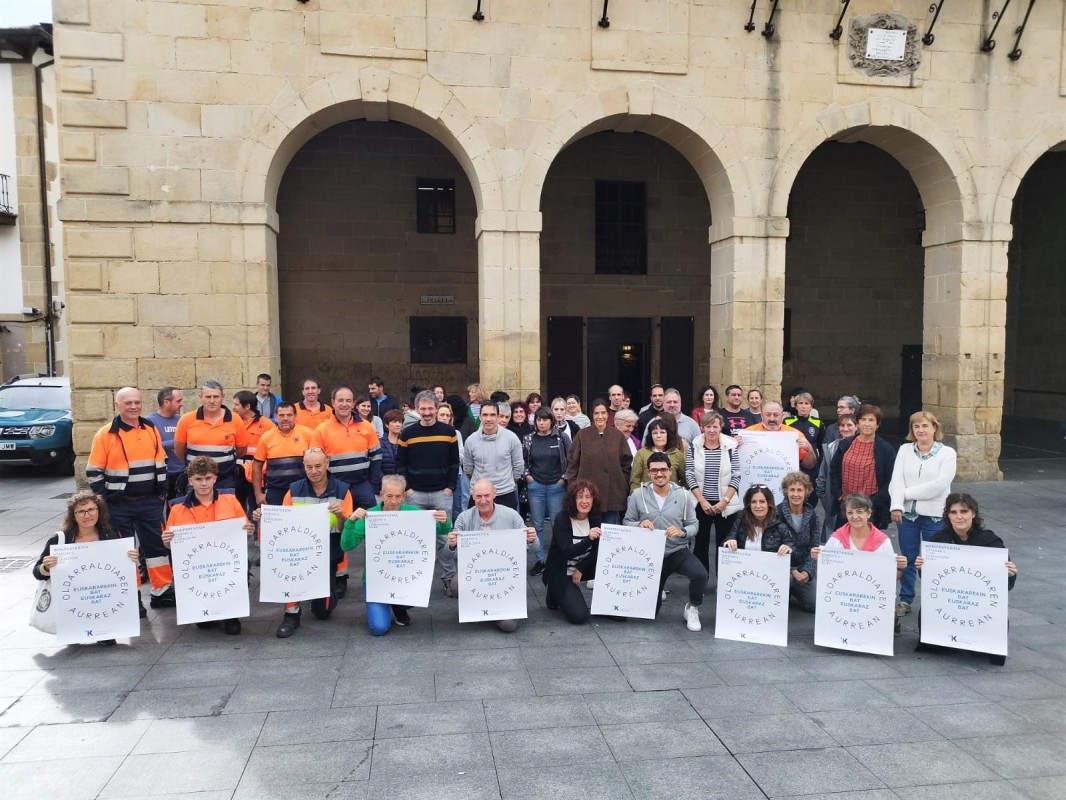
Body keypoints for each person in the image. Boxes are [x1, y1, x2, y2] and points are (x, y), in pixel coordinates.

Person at [253, 448, 354, 638]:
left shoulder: (342, 490)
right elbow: (282, 521)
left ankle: (322, 593)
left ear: (327, 464)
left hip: (328, 546)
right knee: (290, 568)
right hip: (298, 546)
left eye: (318, 466)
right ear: (304, 467)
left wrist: (340, 515)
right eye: (309, 467)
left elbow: (343, 531)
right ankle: (291, 613)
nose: (314, 471)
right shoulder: (294, 490)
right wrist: (262, 516)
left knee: (323, 612)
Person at [86, 387, 169, 609]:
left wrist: (161, 492)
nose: (133, 407)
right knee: (125, 551)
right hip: (118, 504)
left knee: (157, 549)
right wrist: (104, 500)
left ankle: (162, 592)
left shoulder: (150, 427)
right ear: (117, 405)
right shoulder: (105, 434)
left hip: (150, 501)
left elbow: (161, 460)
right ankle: (131, 599)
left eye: (137, 402)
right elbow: (93, 471)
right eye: (128, 403)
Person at [914, 493, 1018, 665]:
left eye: (964, 511)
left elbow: (1004, 585)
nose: (959, 516)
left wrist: (1010, 573)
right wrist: (923, 566)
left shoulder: (990, 541)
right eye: (953, 512)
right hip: (950, 597)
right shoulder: (939, 540)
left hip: (978, 601)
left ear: (973, 513)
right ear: (947, 515)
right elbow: (931, 581)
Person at [340, 474, 450, 634]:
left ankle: (398, 606)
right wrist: (350, 522)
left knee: (419, 591)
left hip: (403, 574)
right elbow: (347, 545)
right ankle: (390, 604)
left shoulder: (412, 512)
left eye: (398, 496)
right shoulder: (370, 516)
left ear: (404, 496)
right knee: (378, 628)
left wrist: (444, 520)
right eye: (389, 496)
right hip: (376, 579)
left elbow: (443, 529)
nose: (393, 501)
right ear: (381, 494)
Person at [161, 456, 254, 635]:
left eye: (208, 478)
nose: (204, 483)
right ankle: (204, 609)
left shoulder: (231, 501)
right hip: (198, 565)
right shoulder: (178, 508)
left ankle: (230, 613)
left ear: (215, 478)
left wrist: (247, 531)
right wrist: (167, 542)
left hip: (224, 560)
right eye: (198, 479)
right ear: (190, 480)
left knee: (242, 566)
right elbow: (172, 546)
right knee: (203, 625)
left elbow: (242, 535)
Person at [33, 490, 142, 644]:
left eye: (91, 509)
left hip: (102, 597)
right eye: (81, 512)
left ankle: (103, 631)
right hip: (73, 599)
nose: (87, 515)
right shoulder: (60, 539)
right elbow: (37, 572)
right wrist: (45, 567)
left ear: (99, 511)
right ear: (73, 516)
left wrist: (129, 558)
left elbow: (118, 570)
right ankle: (76, 629)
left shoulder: (109, 535)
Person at [624, 452, 704, 631]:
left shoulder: (683, 495)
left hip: (676, 551)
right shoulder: (637, 495)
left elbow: (694, 525)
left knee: (700, 574)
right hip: (649, 555)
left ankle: (692, 608)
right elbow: (626, 522)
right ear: (648, 472)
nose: (659, 474)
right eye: (654, 471)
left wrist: (682, 532)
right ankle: (655, 591)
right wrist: (639, 524)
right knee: (650, 614)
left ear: (670, 471)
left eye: (663, 470)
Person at [889, 411, 957, 620]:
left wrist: (906, 494)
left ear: (934, 428)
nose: (921, 430)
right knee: (908, 557)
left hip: (934, 515)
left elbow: (939, 485)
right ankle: (905, 599)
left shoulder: (947, 453)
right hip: (907, 515)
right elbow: (896, 479)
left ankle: (934, 600)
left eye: (925, 426)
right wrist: (897, 504)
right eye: (916, 426)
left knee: (932, 559)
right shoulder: (904, 450)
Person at [446, 479, 537, 632]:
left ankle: (492, 609)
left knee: (508, 626)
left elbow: (535, 547)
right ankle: (478, 606)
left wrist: (531, 539)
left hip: (504, 577)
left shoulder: (512, 515)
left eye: (487, 495)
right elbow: (447, 556)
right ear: (472, 497)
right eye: (478, 496)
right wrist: (451, 545)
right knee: (456, 585)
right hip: (476, 574)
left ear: (494, 494)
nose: (483, 500)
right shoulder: (464, 518)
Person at [397, 390, 461, 592]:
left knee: (444, 539)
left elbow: (454, 463)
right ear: (417, 409)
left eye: (430, 408)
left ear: (436, 408)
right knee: (415, 538)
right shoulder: (407, 433)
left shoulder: (449, 432)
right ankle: (414, 579)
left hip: (442, 494)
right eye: (422, 408)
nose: (426, 412)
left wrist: (450, 487)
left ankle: (449, 578)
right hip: (415, 495)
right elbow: (400, 464)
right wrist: (406, 489)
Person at [686, 412, 742, 574]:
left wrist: (724, 501)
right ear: (702, 428)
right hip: (700, 503)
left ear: (720, 427)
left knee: (725, 544)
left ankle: (724, 583)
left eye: (715, 426)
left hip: (725, 504)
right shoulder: (694, 447)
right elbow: (689, 474)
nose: (711, 430)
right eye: (708, 426)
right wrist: (702, 501)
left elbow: (736, 475)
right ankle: (701, 580)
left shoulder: (731, 447)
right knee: (701, 544)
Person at [811, 494, 907, 587]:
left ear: (869, 513)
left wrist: (899, 568)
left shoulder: (883, 541)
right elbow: (825, 572)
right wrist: (818, 559)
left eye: (859, 511)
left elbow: (891, 578)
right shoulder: (836, 539)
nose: (855, 516)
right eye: (850, 512)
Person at [312, 385, 382, 510]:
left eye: (348, 400)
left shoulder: (366, 426)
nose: (344, 404)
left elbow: (376, 458)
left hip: (363, 485)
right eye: (340, 400)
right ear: (333, 402)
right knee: (337, 525)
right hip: (335, 486)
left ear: (353, 403)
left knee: (368, 523)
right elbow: (315, 462)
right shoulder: (322, 430)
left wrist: (372, 485)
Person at [543, 479, 602, 624]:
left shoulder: (594, 519)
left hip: (581, 568)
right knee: (579, 616)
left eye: (588, 497)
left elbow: (597, 550)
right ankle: (554, 591)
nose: (584, 501)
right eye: (579, 497)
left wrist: (580, 569)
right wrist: (588, 539)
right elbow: (567, 551)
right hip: (561, 570)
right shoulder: (562, 519)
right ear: (572, 500)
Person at [829, 403, 896, 531]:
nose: (867, 424)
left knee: (867, 546)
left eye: (871, 420)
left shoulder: (885, 449)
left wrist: (876, 501)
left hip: (871, 508)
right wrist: (838, 494)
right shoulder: (846, 444)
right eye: (863, 420)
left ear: (877, 424)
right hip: (846, 505)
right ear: (858, 423)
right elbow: (834, 470)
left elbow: (891, 479)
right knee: (842, 543)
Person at [174, 380, 250, 491]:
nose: (212, 401)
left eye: (216, 397)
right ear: (200, 397)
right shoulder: (186, 419)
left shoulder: (235, 420)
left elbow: (241, 450)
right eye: (208, 397)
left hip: (225, 480)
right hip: (196, 481)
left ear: (223, 397)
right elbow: (179, 450)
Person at [566, 398, 632, 525]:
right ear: (592, 415)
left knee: (609, 534)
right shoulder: (582, 435)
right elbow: (573, 463)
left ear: (608, 415)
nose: (600, 416)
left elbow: (626, 463)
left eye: (603, 413)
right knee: (589, 533)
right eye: (596, 413)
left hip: (612, 493)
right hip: (587, 493)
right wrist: (574, 487)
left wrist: (622, 483)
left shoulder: (617, 436)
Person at [522, 407, 568, 575]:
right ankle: (540, 560)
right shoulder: (529, 439)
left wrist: (563, 480)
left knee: (557, 524)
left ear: (551, 421)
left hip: (556, 486)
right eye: (538, 420)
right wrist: (529, 478)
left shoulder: (561, 437)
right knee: (537, 525)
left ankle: (557, 560)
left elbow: (570, 460)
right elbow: (523, 461)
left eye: (545, 419)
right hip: (536, 486)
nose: (541, 423)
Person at [462, 401, 523, 513]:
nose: (488, 419)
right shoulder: (471, 440)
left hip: (505, 493)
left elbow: (518, 467)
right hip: (479, 496)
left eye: (492, 415)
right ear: (480, 416)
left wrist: (506, 482)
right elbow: (468, 469)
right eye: (485, 415)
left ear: (498, 417)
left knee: (507, 530)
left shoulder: (511, 438)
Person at [252, 402, 316, 506]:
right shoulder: (266, 437)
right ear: (275, 416)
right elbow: (256, 466)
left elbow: (318, 462)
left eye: (289, 415)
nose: (285, 418)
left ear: (295, 416)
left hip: (303, 490)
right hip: (275, 491)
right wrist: (258, 493)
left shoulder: (308, 434)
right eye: (281, 415)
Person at [775, 473, 819, 611]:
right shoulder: (776, 514)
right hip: (781, 568)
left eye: (799, 490)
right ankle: (787, 589)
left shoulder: (812, 515)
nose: (795, 494)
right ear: (785, 491)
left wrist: (806, 572)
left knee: (815, 605)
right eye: (792, 490)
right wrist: (793, 571)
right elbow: (772, 547)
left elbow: (814, 548)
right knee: (779, 607)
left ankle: (794, 590)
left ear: (806, 492)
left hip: (803, 567)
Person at [232, 389, 275, 515]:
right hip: (236, 471)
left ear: (247, 406)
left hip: (256, 474)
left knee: (255, 508)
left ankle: (256, 534)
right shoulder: (232, 422)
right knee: (236, 508)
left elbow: (271, 450)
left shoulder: (267, 425)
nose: (233, 407)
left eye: (236, 404)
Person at [816, 413, 856, 542]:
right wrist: (825, 498)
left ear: (857, 427)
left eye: (849, 425)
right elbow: (822, 475)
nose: (845, 428)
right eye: (842, 425)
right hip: (834, 499)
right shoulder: (830, 448)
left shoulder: (863, 447)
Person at [745, 401, 818, 470]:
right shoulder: (749, 432)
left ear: (782, 416)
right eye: (768, 415)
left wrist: (809, 449)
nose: (772, 418)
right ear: (761, 415)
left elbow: (809, 465)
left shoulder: (795, 435)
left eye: (776, 415)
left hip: (786, 481)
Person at [147, 386, 184, 501]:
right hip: (162, 474)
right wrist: (177, 442)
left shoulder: (181, 420)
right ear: (166, 402)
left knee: (178, 510)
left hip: (182, 473)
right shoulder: (150, 421)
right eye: (178, 401)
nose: (181, 404)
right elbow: (150, 446)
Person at [631, 417, 686, 491]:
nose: (659, 436)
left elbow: (684, 480)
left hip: (672, 498)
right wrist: (637, 498)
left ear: (667, 435)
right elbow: (635, 480)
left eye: (662, 432)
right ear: (651, 436)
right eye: (655, 433)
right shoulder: (641, 453)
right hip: (646, 498)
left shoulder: (677, 454)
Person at [784, 392, 823, 493]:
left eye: (807, 403)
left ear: (811, 406)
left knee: (810, 492)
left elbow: (821, 446)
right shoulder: (787, 422)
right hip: (792, 463)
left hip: (811, 464)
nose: (803, 406)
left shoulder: (818, 423)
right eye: (800, 403)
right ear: (795, 406)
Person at [439, 399, 471, 520]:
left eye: (447, 415)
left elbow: (461, 455)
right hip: (439, 476)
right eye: (442, 415)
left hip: (455, 475)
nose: (445, 418)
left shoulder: (456, 433)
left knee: (456, 507)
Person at [378, 409, 406, 476]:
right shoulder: (379, 443)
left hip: (402, 482)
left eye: (399, 422)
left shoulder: (405, 442)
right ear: (387, 425)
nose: (398, 425)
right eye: (394, 422)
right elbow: (377, 467)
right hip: (385, 482)